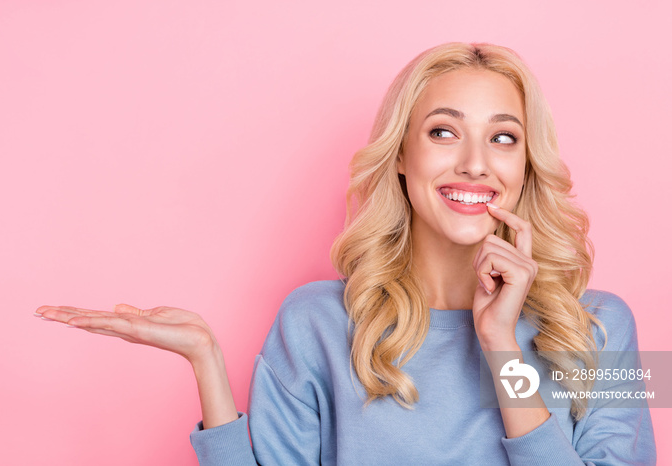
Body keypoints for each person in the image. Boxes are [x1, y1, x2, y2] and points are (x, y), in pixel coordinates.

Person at [35, 42, 656, 465]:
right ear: (403, 161)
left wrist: (501, 346)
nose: (474, 162)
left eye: (503, 137)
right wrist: (207, 364)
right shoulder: (315, 321)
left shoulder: (609, 324)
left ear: (525, 166)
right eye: (443, 131)